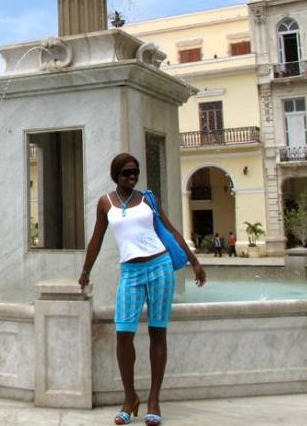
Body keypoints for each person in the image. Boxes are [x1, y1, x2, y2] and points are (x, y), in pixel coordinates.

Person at [78, 153, 206, 426]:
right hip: (130, 273)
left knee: (157, 332)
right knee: (123, 334)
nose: (132, 176)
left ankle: (154, 400)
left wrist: (194, 262)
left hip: (160, 268)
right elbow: (96, 241)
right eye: (126, 172)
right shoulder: (105, 203)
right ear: (116, 175)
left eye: (135, 171)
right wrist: (85, 271)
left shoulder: (148, 199)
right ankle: (130, 397)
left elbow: (170, 231)